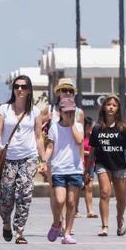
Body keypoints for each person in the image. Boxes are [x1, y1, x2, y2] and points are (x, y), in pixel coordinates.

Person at [0, 75, 46, 244]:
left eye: (23, 86)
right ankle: (6, 222)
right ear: (13, 89)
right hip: (8, 159)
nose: (20, 89)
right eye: (16, 86)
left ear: (29, 90)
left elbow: (39, 137)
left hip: (28, 158)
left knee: (24, 195)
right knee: (6, 196)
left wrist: (43, 160)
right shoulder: (4, 109)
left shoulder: (35, 112)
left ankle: (20, 231)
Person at [89, 95, 126, 237]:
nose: (111, 107)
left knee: (121, 198)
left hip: (120, 165)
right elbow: (92, 149)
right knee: (105, 193)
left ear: (118, 109)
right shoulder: (97, 128)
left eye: (114, 105)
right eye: (108, 104)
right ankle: (104, 226)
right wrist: (88, 168)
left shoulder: (123, 127)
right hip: (103, 163)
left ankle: (119, 218)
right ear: (104, 107)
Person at [41, 78, 84, 230]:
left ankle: (66, 225)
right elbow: (37, 127)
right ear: (58, 92)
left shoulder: (79, 113)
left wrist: (82, 161)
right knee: (56, 195)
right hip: (55, 158)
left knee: (70, 199)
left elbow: (80, 138)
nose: (67, 93)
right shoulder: (50, 109)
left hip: (72, 159)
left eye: (70, 91)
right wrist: (45, 119)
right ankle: (58, 221)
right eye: (64, 90)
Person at [76, 116, 97, 218]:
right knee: (77, 188)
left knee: (89, 187)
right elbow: (76, 148)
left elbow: (95, 149)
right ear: (87, 125)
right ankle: (75, 210)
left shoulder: (92, 136)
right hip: (79, 164)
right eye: (90, 125)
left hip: (90, 165)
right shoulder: (78, 134)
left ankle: (90, 210)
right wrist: (87, 152)